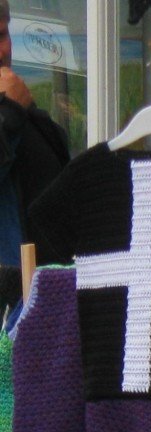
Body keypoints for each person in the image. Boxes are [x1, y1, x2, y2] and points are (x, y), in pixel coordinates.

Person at [0, 1, 70, 268]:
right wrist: (9, 113)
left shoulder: (24, 112)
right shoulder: (12, 111)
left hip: (47, 294)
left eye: (2, 35)